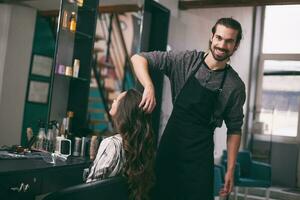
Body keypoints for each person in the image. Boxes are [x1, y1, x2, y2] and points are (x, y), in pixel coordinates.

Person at [130, 17, 246, 200]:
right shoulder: (185, 60)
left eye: (229, 41)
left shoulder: (235, 86)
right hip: (170, 148)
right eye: (219, 38)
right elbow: (138, 58)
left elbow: (234, 129)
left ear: (236, 45)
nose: (222, 45)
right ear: (212, 37)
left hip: (199, 158)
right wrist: (149, 86)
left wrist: (230, 169)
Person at [86, 89, 156, 200]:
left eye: (117, 100)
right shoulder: (141, 147)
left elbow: (90, 188)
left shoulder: (111, 144)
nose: (113, 101)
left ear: (124, 109)